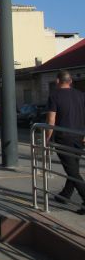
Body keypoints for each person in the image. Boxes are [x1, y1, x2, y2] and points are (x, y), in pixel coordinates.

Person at [46, 70, 85, 215]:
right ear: (71, 81)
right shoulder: (81, 95)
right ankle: (65, 195)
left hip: (64, 138)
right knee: (73, 168)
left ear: (57, 81)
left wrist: (47, 139)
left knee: (72, 171)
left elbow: (51, 120)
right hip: (79, 137)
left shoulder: (54, 96)